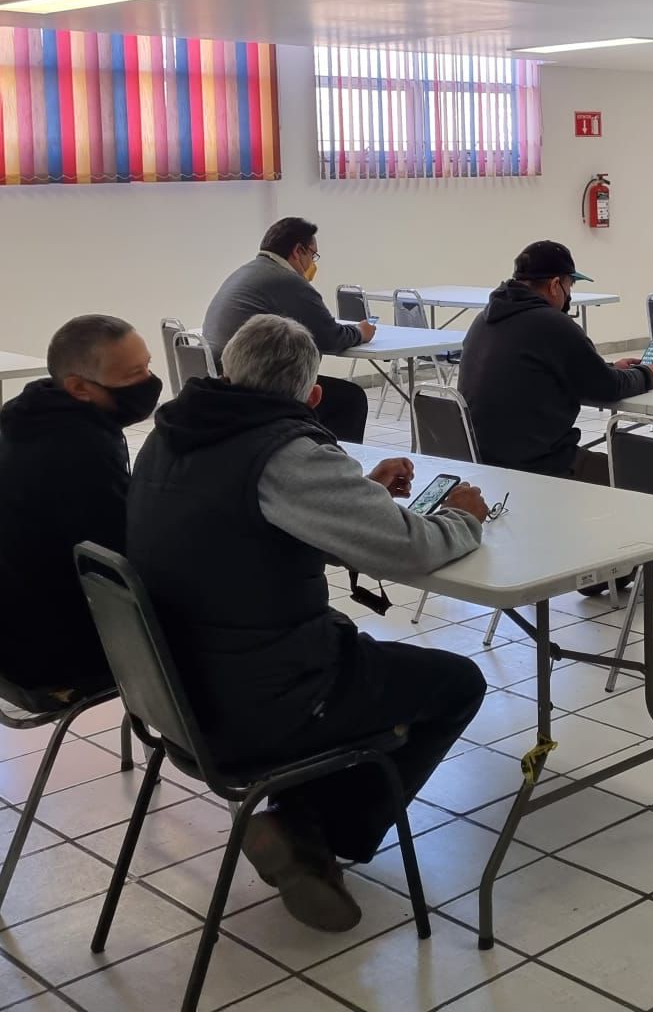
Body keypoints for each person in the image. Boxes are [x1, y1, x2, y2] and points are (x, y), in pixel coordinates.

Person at [127, 314, 487, 934]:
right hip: (263, 702)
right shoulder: (284, 453)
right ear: (313, 394)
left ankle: (300, 822)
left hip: (175, 692)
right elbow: (410, 550)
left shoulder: (169, 436)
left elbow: (241, 528)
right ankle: (316, 833)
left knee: (371, 665)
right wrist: (462, 518)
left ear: (226, 371)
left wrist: (356, 497)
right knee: (456, 683)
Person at [0, 316, 161, 698]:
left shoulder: (26, 417)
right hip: (47, 654)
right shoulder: (77, 450)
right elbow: (123, 557)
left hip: (15, 633)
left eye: (147, 366)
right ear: (78, 387)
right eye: (134, 374)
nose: (150, 382)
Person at [459, 240, 653, 482]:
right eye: (569, 286)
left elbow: (547, 368)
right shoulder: (553, 324)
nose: (569, 296)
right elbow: (609, 387)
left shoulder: (483, 320)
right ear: (555, 285)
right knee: (643, 477)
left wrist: (609, 368)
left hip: (481, 465)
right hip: (540, 468)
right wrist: (646, 374)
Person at [202, 217, 375, 443]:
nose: (312, 263)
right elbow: (330, 337)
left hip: (220, 378)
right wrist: (360, 332)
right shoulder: (286, 280)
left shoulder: (246, 272)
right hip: (252, 385)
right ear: (298, 251)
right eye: (312, 255)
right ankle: (329, 458)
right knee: (350, 398)